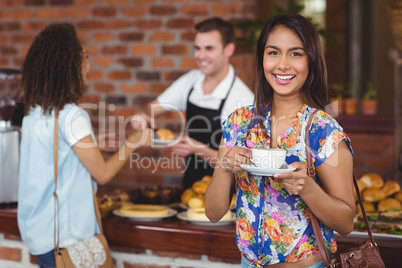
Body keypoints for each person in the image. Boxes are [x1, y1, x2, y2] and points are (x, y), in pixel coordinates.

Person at [205, 13, 355, 268]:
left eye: (296, 54)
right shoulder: (239, 124)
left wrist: (306, 187)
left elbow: (345, 224)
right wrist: (225, 167)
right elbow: (213, 212)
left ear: (311, 61)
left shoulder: (323, 131)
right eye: (273, 52)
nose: (282, 64)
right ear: (262, 59)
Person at [17, 23, 152, 268]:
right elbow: (103, 174)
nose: (88, 66)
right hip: (67, 240)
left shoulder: (33, 113)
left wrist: (93, 144)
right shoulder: (72, 115)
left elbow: (47, 156)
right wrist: (135, 140)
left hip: (40, 237)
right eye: (84, 58)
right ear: (68, 66)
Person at [130, 17, 254, 189]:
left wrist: (198, 149)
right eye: (197, 48)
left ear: (229, 49)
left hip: (228, 194)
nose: (201, 56)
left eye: (209, 48)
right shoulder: (190, 81)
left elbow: (242, 163)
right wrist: (142, 114)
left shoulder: (242, 99)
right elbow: (150, 108)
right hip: (191, 185)